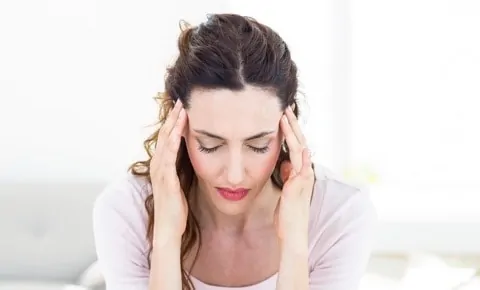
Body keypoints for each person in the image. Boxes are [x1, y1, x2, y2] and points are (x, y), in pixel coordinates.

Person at [92, 13, 377, 290]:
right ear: (177, 129)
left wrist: (294, 247)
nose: (235, 174)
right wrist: (166, 238)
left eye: (258, 145)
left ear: (286, 131)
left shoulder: (339, 214)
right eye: (210, 145)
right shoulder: (127, 211)